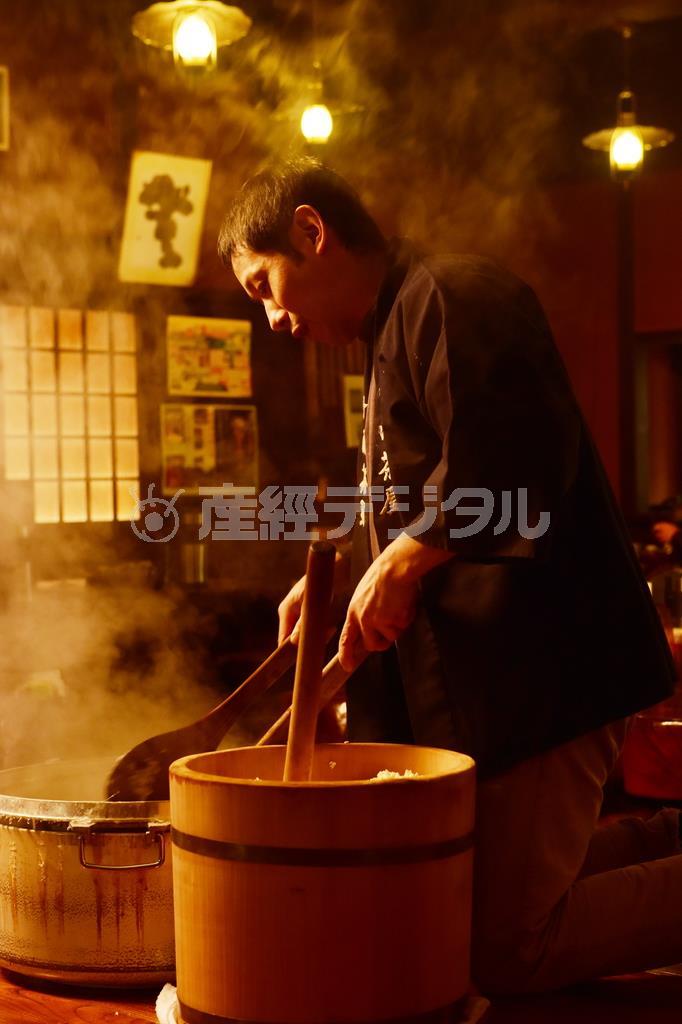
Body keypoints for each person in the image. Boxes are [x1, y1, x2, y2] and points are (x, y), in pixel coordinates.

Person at [218, 158, 681, 994]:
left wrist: (402, 555)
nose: (273, 318)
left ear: (311, 232)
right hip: (502, 684)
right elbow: (423, 500)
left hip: (551, 672)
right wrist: (348, 570)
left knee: (507, 948)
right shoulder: (390, 332)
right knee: (482, 905)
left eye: (264, 287)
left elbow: (525, 470)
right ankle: (663, 844)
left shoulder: (452, 294)